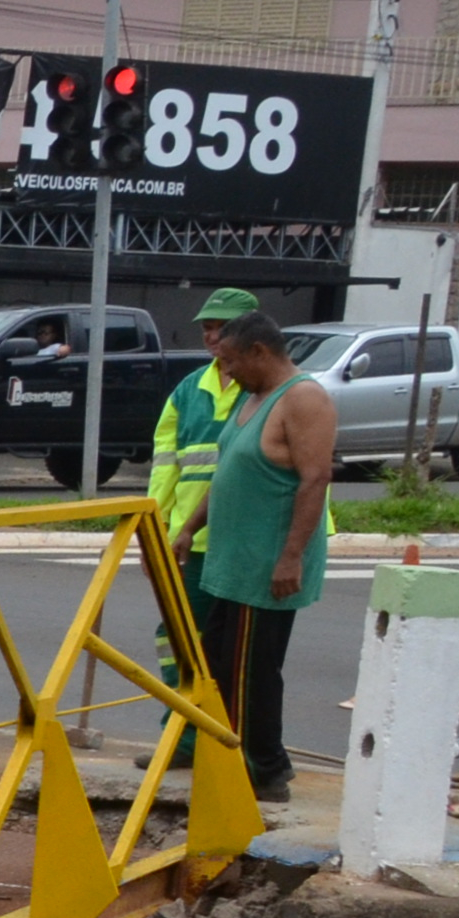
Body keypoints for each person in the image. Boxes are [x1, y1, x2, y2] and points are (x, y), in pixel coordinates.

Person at [175, 310, 335, 809]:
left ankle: (264, 771)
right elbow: (230, 470)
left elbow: (314, 480)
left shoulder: (303, 399)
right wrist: (190, 527)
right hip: (231, 562)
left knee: (251, 672)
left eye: (230, 361)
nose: (226, 373)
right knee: (219, 663)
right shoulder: (253, 397)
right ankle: (240, 758)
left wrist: (290, 557)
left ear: (259, 352)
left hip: (265, 566)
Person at [146, 288, 256, 703]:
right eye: (207, 328)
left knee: (230, 644)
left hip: (242, 542)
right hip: (188, 542)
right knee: (176, 635)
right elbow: (164, 469)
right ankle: (184, 730)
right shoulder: (188, 391)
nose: (212, 337)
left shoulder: (262, 387)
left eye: (221, 328)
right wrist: (152, 534)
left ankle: (219, 735)